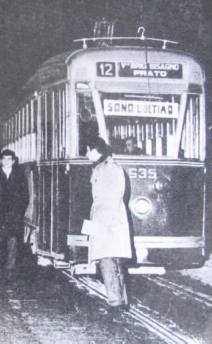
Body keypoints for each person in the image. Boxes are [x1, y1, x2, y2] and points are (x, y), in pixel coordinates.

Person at [85, 137, 132, 320]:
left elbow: (112, 199)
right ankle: (120, 300)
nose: (86, 154)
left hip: (110, 223)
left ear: (95, 150)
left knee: (109, 261)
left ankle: (116, 302)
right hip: (103, 221)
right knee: (111, 262)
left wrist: (104, 225)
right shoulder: (100, 167)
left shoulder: (111, 168)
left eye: (88, 150)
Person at [0, 149, 29, 280]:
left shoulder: (20, 176)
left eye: (9, 159)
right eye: (4, 159)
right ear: (0, 161)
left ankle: (10, 267)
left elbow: (25, 196)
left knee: (12, 240)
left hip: (13, 213)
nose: (7, 161)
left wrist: (19, 212)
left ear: (13, 161)